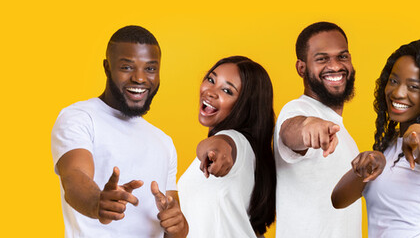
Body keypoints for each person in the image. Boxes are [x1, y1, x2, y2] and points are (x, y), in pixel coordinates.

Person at [331, 39, 420, 237]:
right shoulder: (389, 147)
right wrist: (369, 163)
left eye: (413, 87)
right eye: (393, 81)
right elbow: (338, 200)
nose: (398, 93)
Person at [50, 25, 187, 238]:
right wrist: (97, 202)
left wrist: (179, 225)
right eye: (127, 67)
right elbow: (75, 177)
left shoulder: (164, 142)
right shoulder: (80, 117)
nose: (140, 79)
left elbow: (173, 222)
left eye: (150, 69)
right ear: (107, 67)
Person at [274, 21, 361, 237]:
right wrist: (308, 127)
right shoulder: (297, 109)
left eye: (342, 56)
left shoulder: (342, 131)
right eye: (322, 59)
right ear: (301, 68)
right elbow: (291, 131)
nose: (335, 66)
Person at [177, 56, 276, 237]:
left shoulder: (234, 140)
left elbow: (220, 145)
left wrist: (215, 150)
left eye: (227, 90)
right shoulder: (253, 154)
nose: (211, 92)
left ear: (246, 105)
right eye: (211, 79)